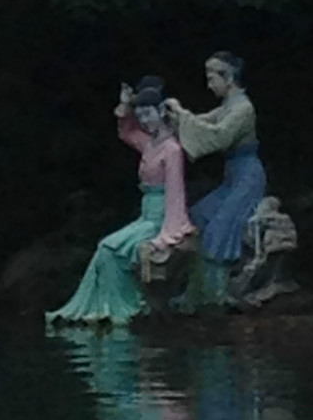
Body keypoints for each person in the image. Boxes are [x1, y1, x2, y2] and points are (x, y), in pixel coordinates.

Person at [46, 76, 196, 328]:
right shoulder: (150, 142)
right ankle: (105, 306)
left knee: (108, 247)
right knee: (105, 248)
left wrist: (169, 232)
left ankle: (122, 306)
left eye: (148, 114)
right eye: (141, 115)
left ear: (161, 111)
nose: (145, 120)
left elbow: (175, 193)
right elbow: (127, 132)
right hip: (145, 214)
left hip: (160, 218)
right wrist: (126, 106)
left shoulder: (171, 149)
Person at [168, 53, 265, 310]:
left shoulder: (243, 108)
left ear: (229, 78)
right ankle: (197, 289)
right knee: (197, 217)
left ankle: (216, 293)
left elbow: (218, 136)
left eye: (213, 78)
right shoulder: (227, 107)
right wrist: (176, 116)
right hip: (232, 177)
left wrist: (182, 113)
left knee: (220, 227)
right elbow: (202, 122)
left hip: (247, 178)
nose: (209, 84)